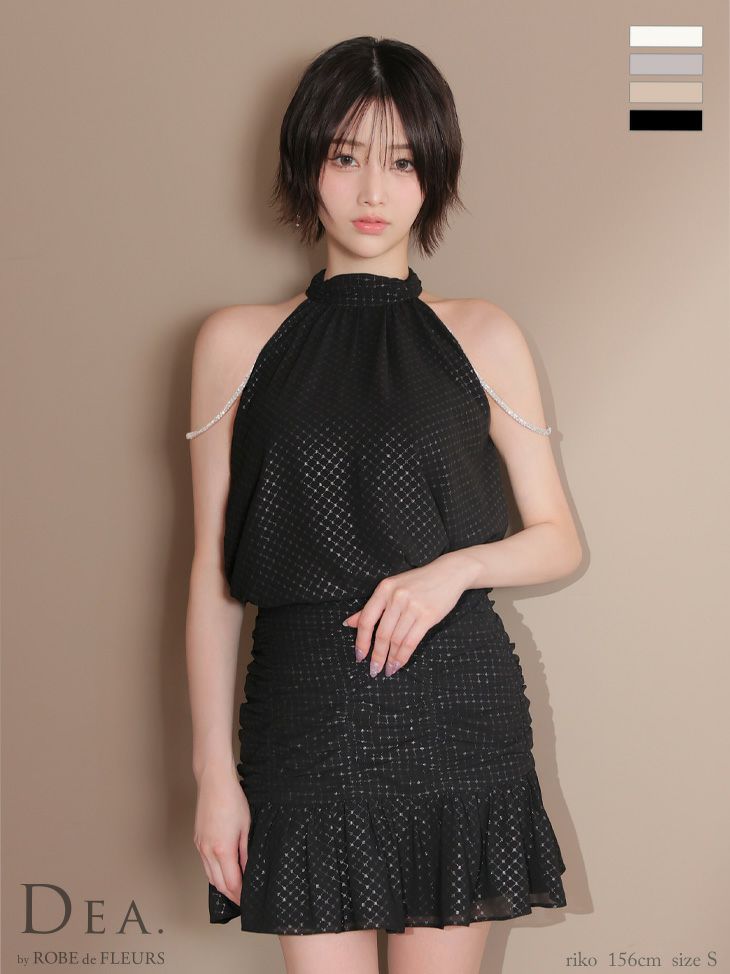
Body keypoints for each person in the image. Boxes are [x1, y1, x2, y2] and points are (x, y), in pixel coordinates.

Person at [185, 35, 580, 974]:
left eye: (402, 162)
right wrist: (213, 775)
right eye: (345, 156)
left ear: (434, 174)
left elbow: (558, 538)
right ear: (306, 165)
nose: (373, 191)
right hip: (303, 722)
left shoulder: (482, 334)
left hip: (457, 714)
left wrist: (454, 571)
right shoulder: (235, 342)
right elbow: (209, 574)